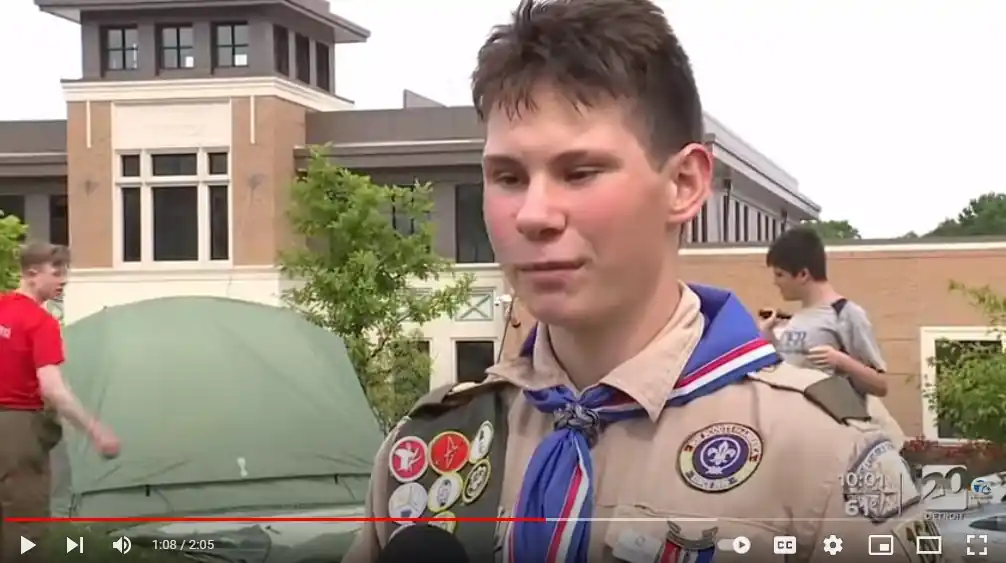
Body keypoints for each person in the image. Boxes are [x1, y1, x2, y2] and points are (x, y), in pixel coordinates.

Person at [344, 1, 939, 562]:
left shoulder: (823, 455)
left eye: (580, 172)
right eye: (506, 176)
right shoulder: (427, 453)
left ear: (684, 184)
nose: (532, 214)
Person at [0, 243, 119, 562]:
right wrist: (95, 429)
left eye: (65, 273)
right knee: (24, 521)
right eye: (57, 273)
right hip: (19, 428)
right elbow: (52, 388)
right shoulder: (41, 323)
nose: (63, 280)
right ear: (32, 273)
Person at [760, 227, 906, 447]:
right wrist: (768, 337)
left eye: (780, 274)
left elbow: (881, 385)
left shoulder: (846, 314)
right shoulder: (797, 318)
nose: (775, 282)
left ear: (803, 274)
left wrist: (841, 361)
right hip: (798, 438)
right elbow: (789, 371)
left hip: (836, 442)